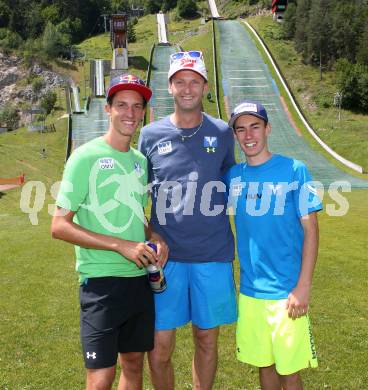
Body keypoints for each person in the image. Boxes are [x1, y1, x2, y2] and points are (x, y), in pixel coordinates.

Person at [51, 74, 169, 390]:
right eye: (122, 105)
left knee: (133, 367)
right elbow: (59, 225)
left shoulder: (141, 162)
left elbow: (136, 213)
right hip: (100, 284)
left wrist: (153, 236)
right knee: (101, 376)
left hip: (138, 282)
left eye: (136, 106)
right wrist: (121, 246)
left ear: (143, 112)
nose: (129, 113)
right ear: (108, 109)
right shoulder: (84, 157)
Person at [138, 51, 237, 389]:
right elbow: (138, 201)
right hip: (166, 260)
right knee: (160, 347)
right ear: (170, 87)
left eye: (194, 81)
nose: (187, 88)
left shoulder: (223, 133)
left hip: (213, 255)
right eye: (180, 81)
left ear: (205, 86)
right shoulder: (150, 135)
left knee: (207, 340)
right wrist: (153, 232)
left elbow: (230, 184)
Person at [224, 100, 322, 389]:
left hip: (287, 292)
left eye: (255, 126)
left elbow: (312, 231)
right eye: (240, 129)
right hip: (252, 292)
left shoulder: (294, 170)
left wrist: (303, 286)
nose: (248, 135)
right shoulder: (233, 177)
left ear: (267, 128)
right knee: (264, 365)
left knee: (289, 372)